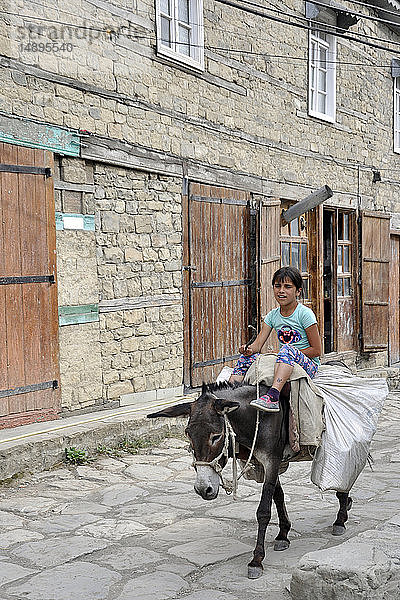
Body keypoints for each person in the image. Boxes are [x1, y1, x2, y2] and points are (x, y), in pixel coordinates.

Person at [230, 266, 322, 412]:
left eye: (288, 287)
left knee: (286, 349)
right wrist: (248, 349)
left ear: (298, 291)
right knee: (245, 359)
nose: (281, 291)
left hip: (308, 365)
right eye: (277, 286)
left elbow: (317, 351)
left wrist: (290, 352)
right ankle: (230, 394)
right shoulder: (273, 315)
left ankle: (273, 396)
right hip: (285, 359)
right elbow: (258, 345)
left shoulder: (305, 314)